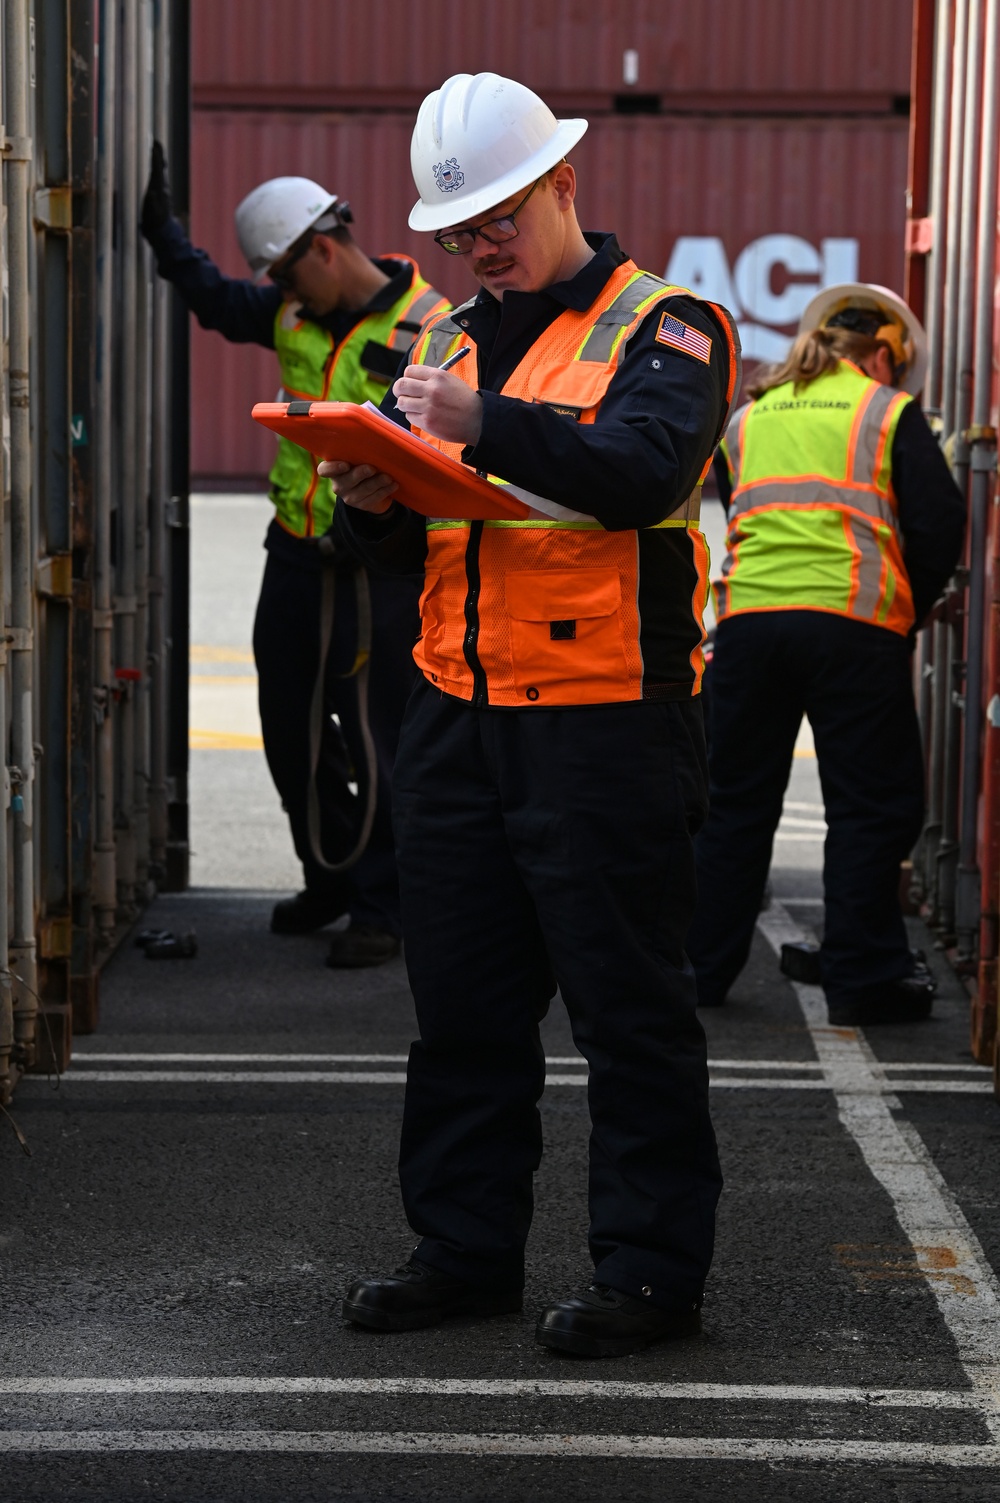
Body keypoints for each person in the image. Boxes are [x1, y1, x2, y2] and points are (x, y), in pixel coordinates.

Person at [319, 72, 741, 1357]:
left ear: (564, 181)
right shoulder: (444, 343)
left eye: (500, 212)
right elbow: (410, 556)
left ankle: (651, 1277)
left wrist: (484, 425)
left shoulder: (668, 327)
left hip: (605, 717)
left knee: (628, 1012)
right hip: (457, 713)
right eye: (459, 230)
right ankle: (463, 1250)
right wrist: (374, 500)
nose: (482, 245)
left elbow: (641, 474)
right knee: (462, 1010)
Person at [141, 148, 449, 967]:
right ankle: (331, 872)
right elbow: (214, 300)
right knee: (289, 725)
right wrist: (164, 236)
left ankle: (382, 904)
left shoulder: (433, 327)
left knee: (380, 733)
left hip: (379, 565)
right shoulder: (291, 314)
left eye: (284, 274)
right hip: (297, 555)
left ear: (322, 246)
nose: (280, 293)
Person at [687, 284, 966, 1025]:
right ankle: (863, 978)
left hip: (747, 628)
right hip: (852, 624)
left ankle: (699, 971)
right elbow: (940, 521)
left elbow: (739, 505)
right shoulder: (886, 411)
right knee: (871, 808)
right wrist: (905, 610)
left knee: (735, 806)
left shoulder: (748, 418)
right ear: (882, 355)